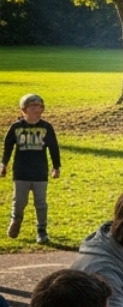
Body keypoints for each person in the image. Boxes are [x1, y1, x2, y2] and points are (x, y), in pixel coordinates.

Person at [3, 92, 61, 244]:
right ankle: (15, 221)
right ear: (24, 109)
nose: (37, 109)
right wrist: (3, 164)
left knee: (40, 203)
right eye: (33, 105)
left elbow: (54, 148)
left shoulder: (46, 127)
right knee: (19, 201)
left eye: (40, 106)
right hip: (21, 172)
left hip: (40, 172)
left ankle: (41, 231)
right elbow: (8, 147)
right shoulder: (16, 127)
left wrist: (56, 167)